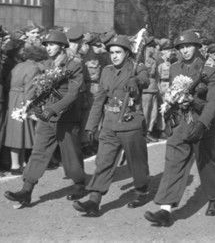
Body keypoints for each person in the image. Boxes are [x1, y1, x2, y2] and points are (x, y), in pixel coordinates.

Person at [144, 30, 215, 227]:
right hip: (181, 123)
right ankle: (165, 210)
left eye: (188, 46)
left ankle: (214, 198)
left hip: (202, 122)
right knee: (173, 162)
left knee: (206, 163)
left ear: (197, 47)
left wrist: (202, 123)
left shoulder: (210, 67)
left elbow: (214, 99)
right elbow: (172, 95)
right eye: (180, 47)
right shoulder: (174, 67)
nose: (185, 50)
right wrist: (169, 117)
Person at [4, 30, 87, 207]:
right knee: (38, 151)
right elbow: (43, 88)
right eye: (46, 45)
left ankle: (80, 183)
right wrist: (30, 104)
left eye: (52, 44)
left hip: (67, 118)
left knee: (70, 153)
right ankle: (26, 190)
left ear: (62, 46)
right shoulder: (48, 65)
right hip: (47, 117)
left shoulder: (75, 65)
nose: (48, 48)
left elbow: (73, 94)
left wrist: (54, 109)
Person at [73, 35, 151, 216]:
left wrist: (136, 81)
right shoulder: (106, 71)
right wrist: (91, 125)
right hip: (109, 123)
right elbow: (99, 99)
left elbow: (145, 79)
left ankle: (141, 190)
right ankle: (94, 200)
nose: (114, 56)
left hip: (130, 123)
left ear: (127, 53)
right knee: (103, 162)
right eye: (112, 52)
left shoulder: (137, 68)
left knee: (136, 162)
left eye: (118, 52)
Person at [3, 46, 47, 175]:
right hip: (22, 99)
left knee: (17, 131)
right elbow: (31, 88)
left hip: (12, 98)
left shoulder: (18, 65)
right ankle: (15, 164)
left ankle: (20, 162)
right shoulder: (34, 68)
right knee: (19, 132)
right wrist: (30, 104)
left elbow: (7, 83)